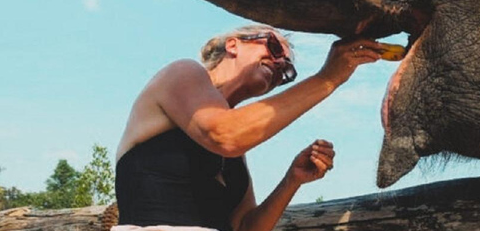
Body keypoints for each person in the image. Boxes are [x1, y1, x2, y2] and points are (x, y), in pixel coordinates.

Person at [112, 24, 387, 231]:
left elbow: (246, 226)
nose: (280, 65)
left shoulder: (235, 145)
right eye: (274, 49)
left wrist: (292, 180)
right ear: (233, 44)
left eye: (287, 72)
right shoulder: (183, 73)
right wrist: (327, 79)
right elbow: (225, 135)